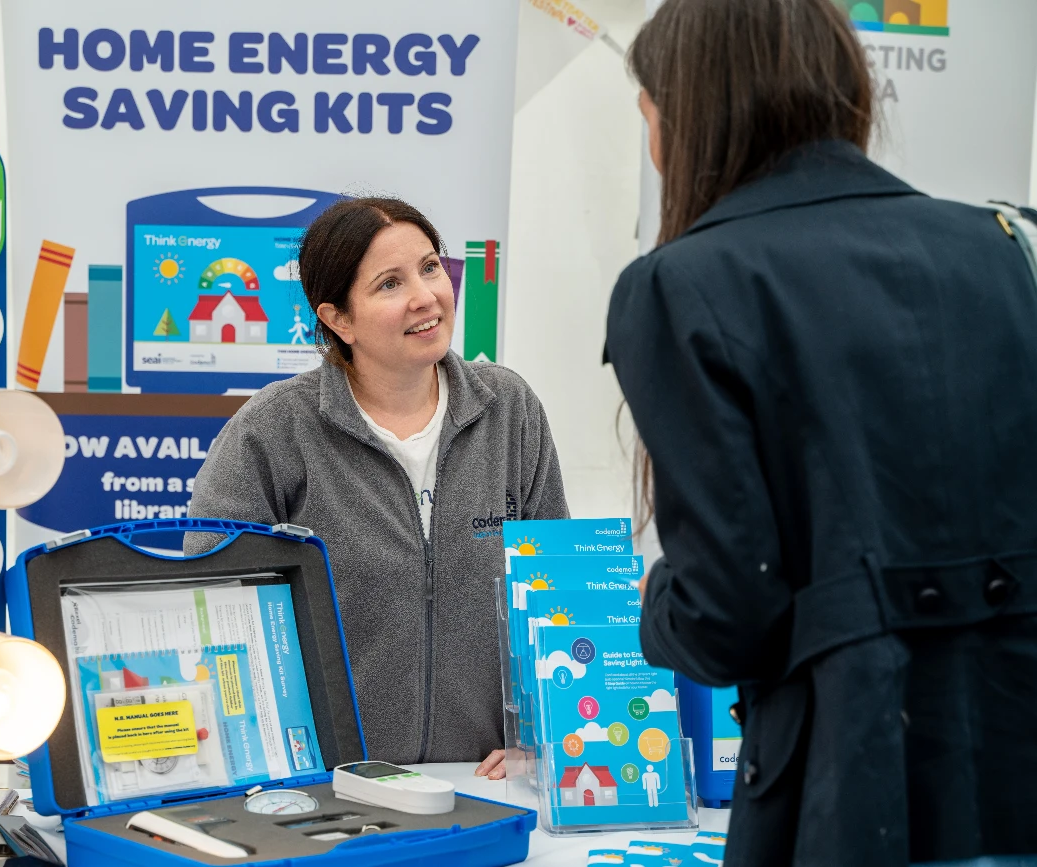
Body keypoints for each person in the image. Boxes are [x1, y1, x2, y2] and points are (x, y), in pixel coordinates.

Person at [604, 1, 1037, 865]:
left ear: (687, 112)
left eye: (648, 112)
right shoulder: (1000, 247)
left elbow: (730, 616)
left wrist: (653, 605)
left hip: (848, 785)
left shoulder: (681, 284)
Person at [187, 196, 568, 778]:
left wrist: (544, 738)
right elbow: (212, 603)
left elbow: (557, 591)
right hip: (329, 785)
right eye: (390, 284)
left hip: (484, 779)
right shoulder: (273, 430)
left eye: (430, 267)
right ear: (339, 319)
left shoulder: (509, 410)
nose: (425, 296)